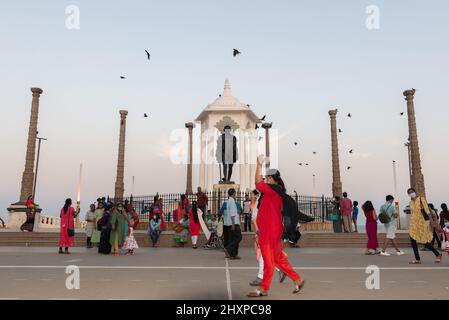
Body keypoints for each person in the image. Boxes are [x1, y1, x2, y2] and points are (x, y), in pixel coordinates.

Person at [247, 155, 305, 298]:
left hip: (269, 231)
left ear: (273, 179)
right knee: (278, 259)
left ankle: (263, 288)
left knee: (268, 260)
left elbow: (257, 183)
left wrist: (259, 165)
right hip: (272, 230)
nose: (265, 180)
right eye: (265, 178)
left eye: (268, 178)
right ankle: (297, 279)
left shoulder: (273, 190)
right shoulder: (274, 191)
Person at [407, 188, 442, 264]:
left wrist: (432, 221)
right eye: (409, 193)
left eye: (412, 191)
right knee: (412, 240)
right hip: (413, 224)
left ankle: (437, 254)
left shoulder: (421, 199)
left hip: (421, 223)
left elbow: (427, 211)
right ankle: (417, 259)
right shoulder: (410, 202)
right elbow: (412, 213)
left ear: (415, 192)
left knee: (424, 241)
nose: (411, 193)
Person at [221, 188, 242, 259]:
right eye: (235, 193)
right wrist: (233, 224)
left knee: (233, 238)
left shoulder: (228, 201)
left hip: (230, 223)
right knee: (239, 237)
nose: (235, 195)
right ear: (233, 193)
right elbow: (232, 213)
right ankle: (228, 248)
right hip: (234, 223)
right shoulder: (232, 201)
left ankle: (233, 254)